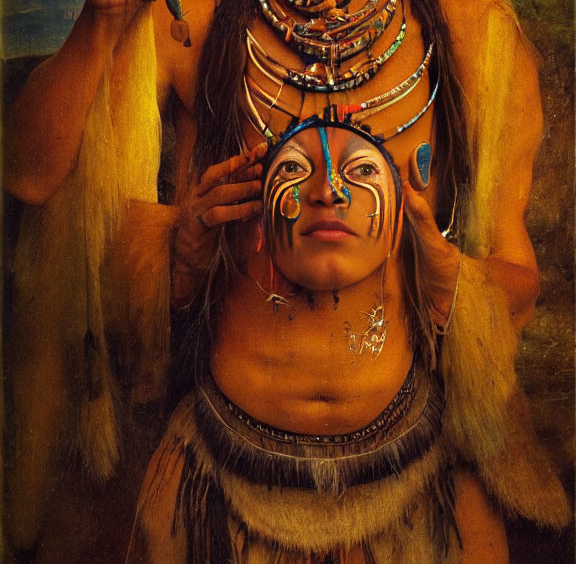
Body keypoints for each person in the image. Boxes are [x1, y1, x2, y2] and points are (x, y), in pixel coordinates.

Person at [3, 0, 567, 560]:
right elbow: (29, 173)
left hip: (420, 478)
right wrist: (103, 22)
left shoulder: (471, 36)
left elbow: (518, 274)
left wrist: (448, 276)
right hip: (213, 482)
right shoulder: (191, 23)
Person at [126, 115, 567, 562]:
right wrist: (180, 256)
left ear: (400, 219)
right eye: (294, 169)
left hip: (423, 490)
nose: (329, 191)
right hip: (216, 490)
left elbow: (521, 289)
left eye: (363, 171)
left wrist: (454, 279)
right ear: (255, 217)